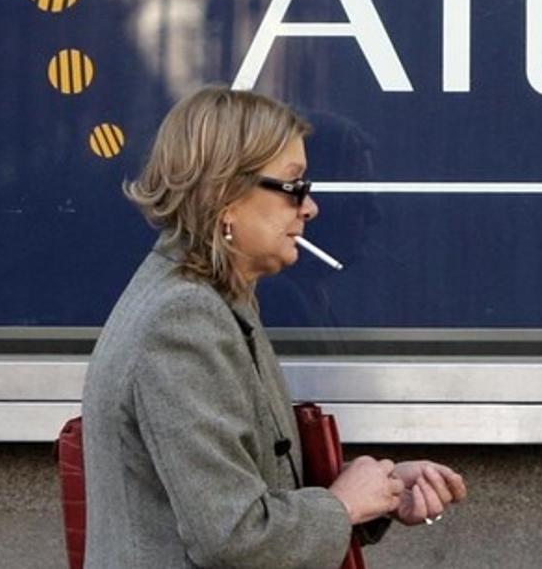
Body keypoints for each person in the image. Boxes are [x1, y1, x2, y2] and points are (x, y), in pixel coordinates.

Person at [82, 87, 466, 568]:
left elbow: (245, 487)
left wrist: (377, 494)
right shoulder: (182, 320)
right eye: (294, 186)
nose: (309, 208)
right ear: (225, 196)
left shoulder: (209, 299)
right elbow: (232, 536)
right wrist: (344, 504)